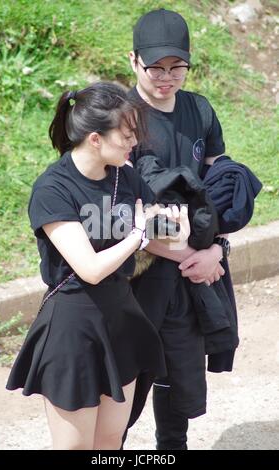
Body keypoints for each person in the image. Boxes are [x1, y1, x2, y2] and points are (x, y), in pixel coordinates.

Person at [6, 81, 193, 450]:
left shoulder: (126, 176)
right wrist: (137, 237)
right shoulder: (53, 188)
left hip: (121, 317)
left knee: (109, 441)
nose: (133, 143)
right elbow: (89, 268)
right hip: (73, 325)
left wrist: (177, 232)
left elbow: (154, 228)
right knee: (75, 446)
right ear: (95, 139)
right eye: (126, 135)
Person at [124, 8, 242, 450]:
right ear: (133, 60)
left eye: (177, 68)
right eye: (156, 67)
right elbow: (120, 205)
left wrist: (216, 250)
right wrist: (191, 254)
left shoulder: (200, 110)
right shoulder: (121, 117)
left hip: (191, 268)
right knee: (125, 382)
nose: (166, 77)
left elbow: (219, 190)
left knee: (179, 375)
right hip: (136, 270)